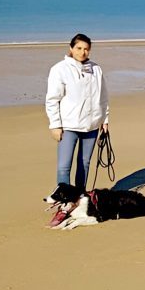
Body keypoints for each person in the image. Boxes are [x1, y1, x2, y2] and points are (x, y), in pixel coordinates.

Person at [45, 33, 110, 190]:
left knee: (84, 163)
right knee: (64, 166)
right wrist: (55, 125)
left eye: (86, 49)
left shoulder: (96, 69)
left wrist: (105, 120)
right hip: (69, 125)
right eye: (79, 48)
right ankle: (64, 199)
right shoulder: (59, 69)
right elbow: (52, 99)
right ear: (71, 48)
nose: (82, 52)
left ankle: (80, 197)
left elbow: (103, 97)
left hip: (92, 125)